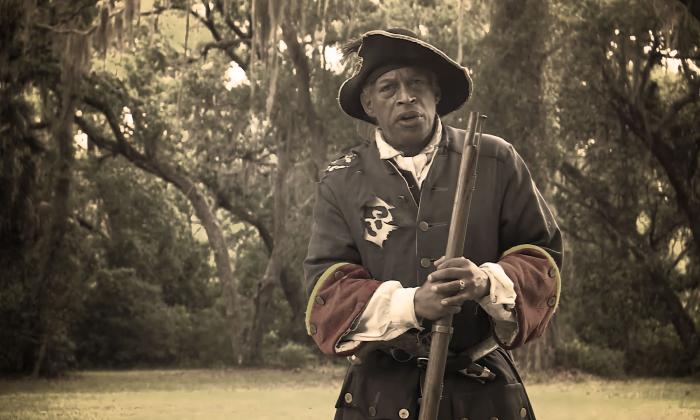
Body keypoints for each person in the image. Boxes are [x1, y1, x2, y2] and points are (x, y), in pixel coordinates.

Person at [304, 28, 562, 420]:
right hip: (378, 398)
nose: (405, 96)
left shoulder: (496, 159)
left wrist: (485, 282)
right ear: (369, 103)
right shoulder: (340, 180)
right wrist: (412, 304)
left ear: (436, 94)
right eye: (388, 87)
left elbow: (541, 259)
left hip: (485, 396)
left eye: (417, 83)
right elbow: (327, 290)